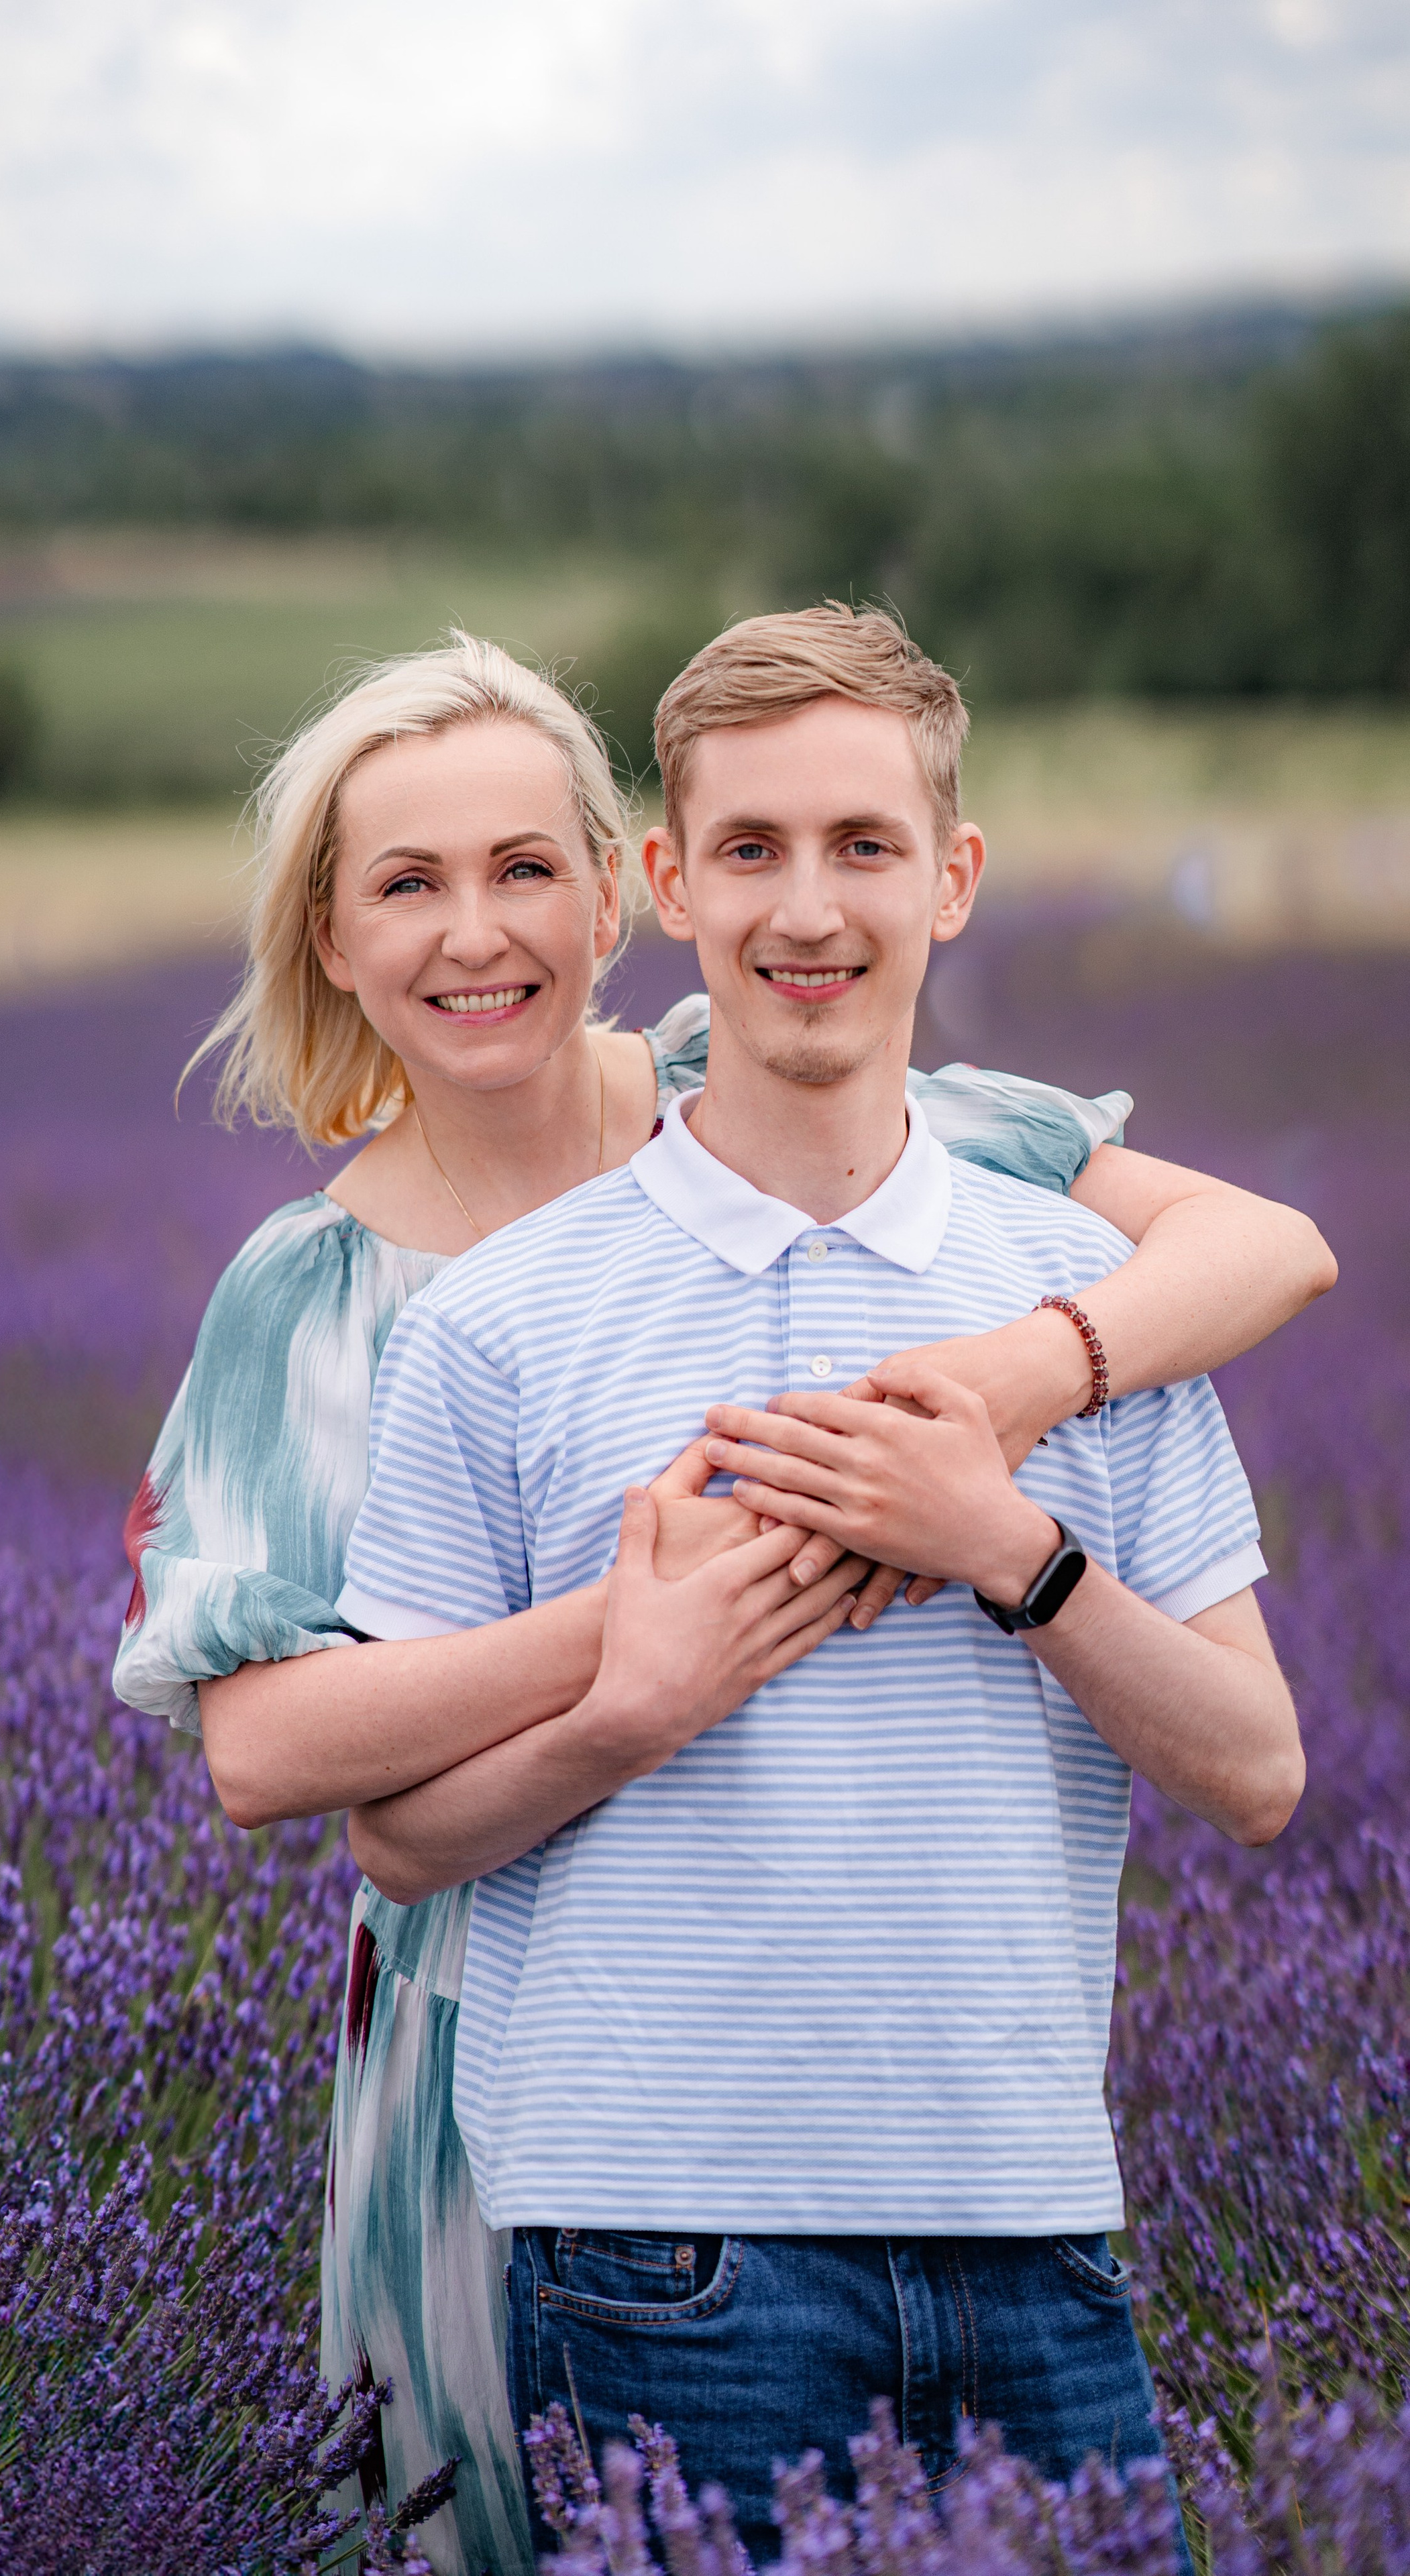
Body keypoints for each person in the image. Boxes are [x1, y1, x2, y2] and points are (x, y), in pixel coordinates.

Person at [113, 629, 1333, 2576]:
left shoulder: (828, 1084)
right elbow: (280, 1760)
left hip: (974, 2144)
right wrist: (643, 1646)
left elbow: (1266, 1249)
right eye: (405, 886)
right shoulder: (355, 1303)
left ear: (617, 899)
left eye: (523, 869)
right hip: (548, 2084)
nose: (475, 933)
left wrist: (1012, 1411)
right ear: (330, 940)